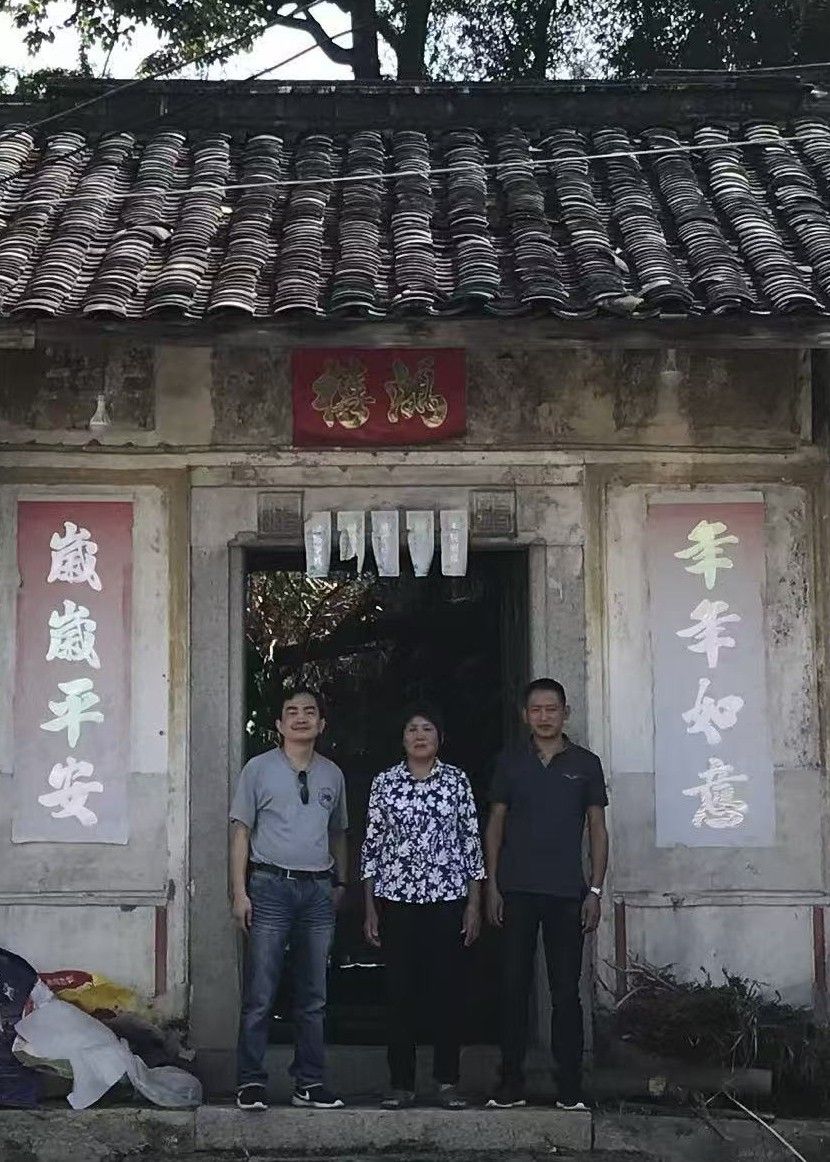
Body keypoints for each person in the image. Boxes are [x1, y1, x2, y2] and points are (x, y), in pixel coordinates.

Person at [485, 678, 608, 1111]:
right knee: (513, 987)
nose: (543, 716)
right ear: (525, 715)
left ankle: (570, 1085)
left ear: (565, 713)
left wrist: (594, 889)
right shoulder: (510, 761)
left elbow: (596, 828)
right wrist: (492, 885)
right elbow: (495, 825)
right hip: (516, 890)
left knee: (565, 992)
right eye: (535, 709)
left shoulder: (586, 764)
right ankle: (511, 1082)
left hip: (566, 894)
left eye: (551, 709)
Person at [361, 704, 486, 1110]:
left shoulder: (456, 781)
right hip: (397, 900)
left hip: (447, 900)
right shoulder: (385, 783)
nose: (419, 736)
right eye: (411, 729)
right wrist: (370, 908)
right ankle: (401, 1083)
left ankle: (448, 1082)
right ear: (402, 739)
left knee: (447, 993)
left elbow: (471, 843)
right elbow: (372, 848)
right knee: (400, 994)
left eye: (427, 729)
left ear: (440, 738)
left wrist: (473, 904)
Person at [230, 688, 348, 1111]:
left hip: (318, 891)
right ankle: (250, 1081)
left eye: (309, 712)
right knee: (261, 992)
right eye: (292, 712)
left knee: (314, 996)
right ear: (278, 725)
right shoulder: (258, 770)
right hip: (269, 887)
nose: (301, 718)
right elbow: (241, 831)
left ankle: (310, 1082)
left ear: (321, 724)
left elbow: (338, 832)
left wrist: (341, 883)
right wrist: (239, 892)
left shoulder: (333, 774)